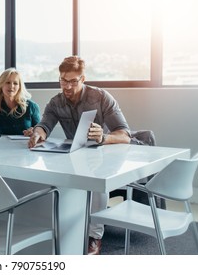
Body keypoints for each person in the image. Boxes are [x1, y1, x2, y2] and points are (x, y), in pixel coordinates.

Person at [28, 56, 131, 255]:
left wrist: (103, 137)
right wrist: (37, 133)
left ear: (83, 79)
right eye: (63, 80)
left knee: (96, 178)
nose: (67, 86)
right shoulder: (56, 102)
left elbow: (125, 135)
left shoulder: (101, 97)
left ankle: (95, 237)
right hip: (77, 155)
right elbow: (45, 124)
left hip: (105, 155)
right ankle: (63, 227)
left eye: (73, 81)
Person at [0, 68, 40, 136]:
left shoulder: (32, 107)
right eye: (8, 82)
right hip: (2, 146)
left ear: (19, 87)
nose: (11, 86)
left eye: (15, 83)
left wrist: (34, 131)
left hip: (25, 146)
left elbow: (39, 131)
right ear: (1, 85)